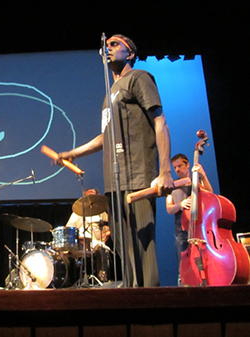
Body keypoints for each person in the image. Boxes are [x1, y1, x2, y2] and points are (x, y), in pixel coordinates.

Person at [58, 34, 174, 287]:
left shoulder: (139, 78)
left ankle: (151, 306)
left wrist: (165, 170)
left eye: (114, 45)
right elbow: (105, 136)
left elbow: (160, 121)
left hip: (139, 175)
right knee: (125, 248)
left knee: (143, 246)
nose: (107, 49)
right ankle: (134, 302)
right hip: (114, 182)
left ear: (130, 53)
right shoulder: (108, 95)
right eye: (105, 46)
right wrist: (73, 153)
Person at [166, 153, 213, 285]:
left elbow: (210, 194)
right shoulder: (172, 185)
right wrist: (180, 205)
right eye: (175, 167)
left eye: (180, 166)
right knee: (183, 263)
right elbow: (169, 209)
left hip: (199, 228)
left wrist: (202, 175)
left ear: (187, 165)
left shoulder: (195, 181)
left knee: (205, 260)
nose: (177, 170)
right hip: (181, 229)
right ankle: (184, 288)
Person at [65, 188, 112, 282]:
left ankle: (102, 275)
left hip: (98, 241)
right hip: (82, 242)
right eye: (89, 195)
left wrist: (107, 234)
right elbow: (69, 228)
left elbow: (109, 227)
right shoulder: (77, 213)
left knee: (102, 249)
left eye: (94, 195)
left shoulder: (102, 212)